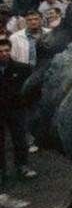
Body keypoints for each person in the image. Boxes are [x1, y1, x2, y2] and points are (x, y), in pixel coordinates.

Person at [0, 38, 36, 182]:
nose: (4, 54)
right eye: (0, 51)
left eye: (6, 50)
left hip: (16, 109)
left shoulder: (22, 68)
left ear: (10, 50)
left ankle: (22, 166)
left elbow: (29, 89)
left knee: (20, 139)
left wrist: (25, 104)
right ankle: (1, 170)